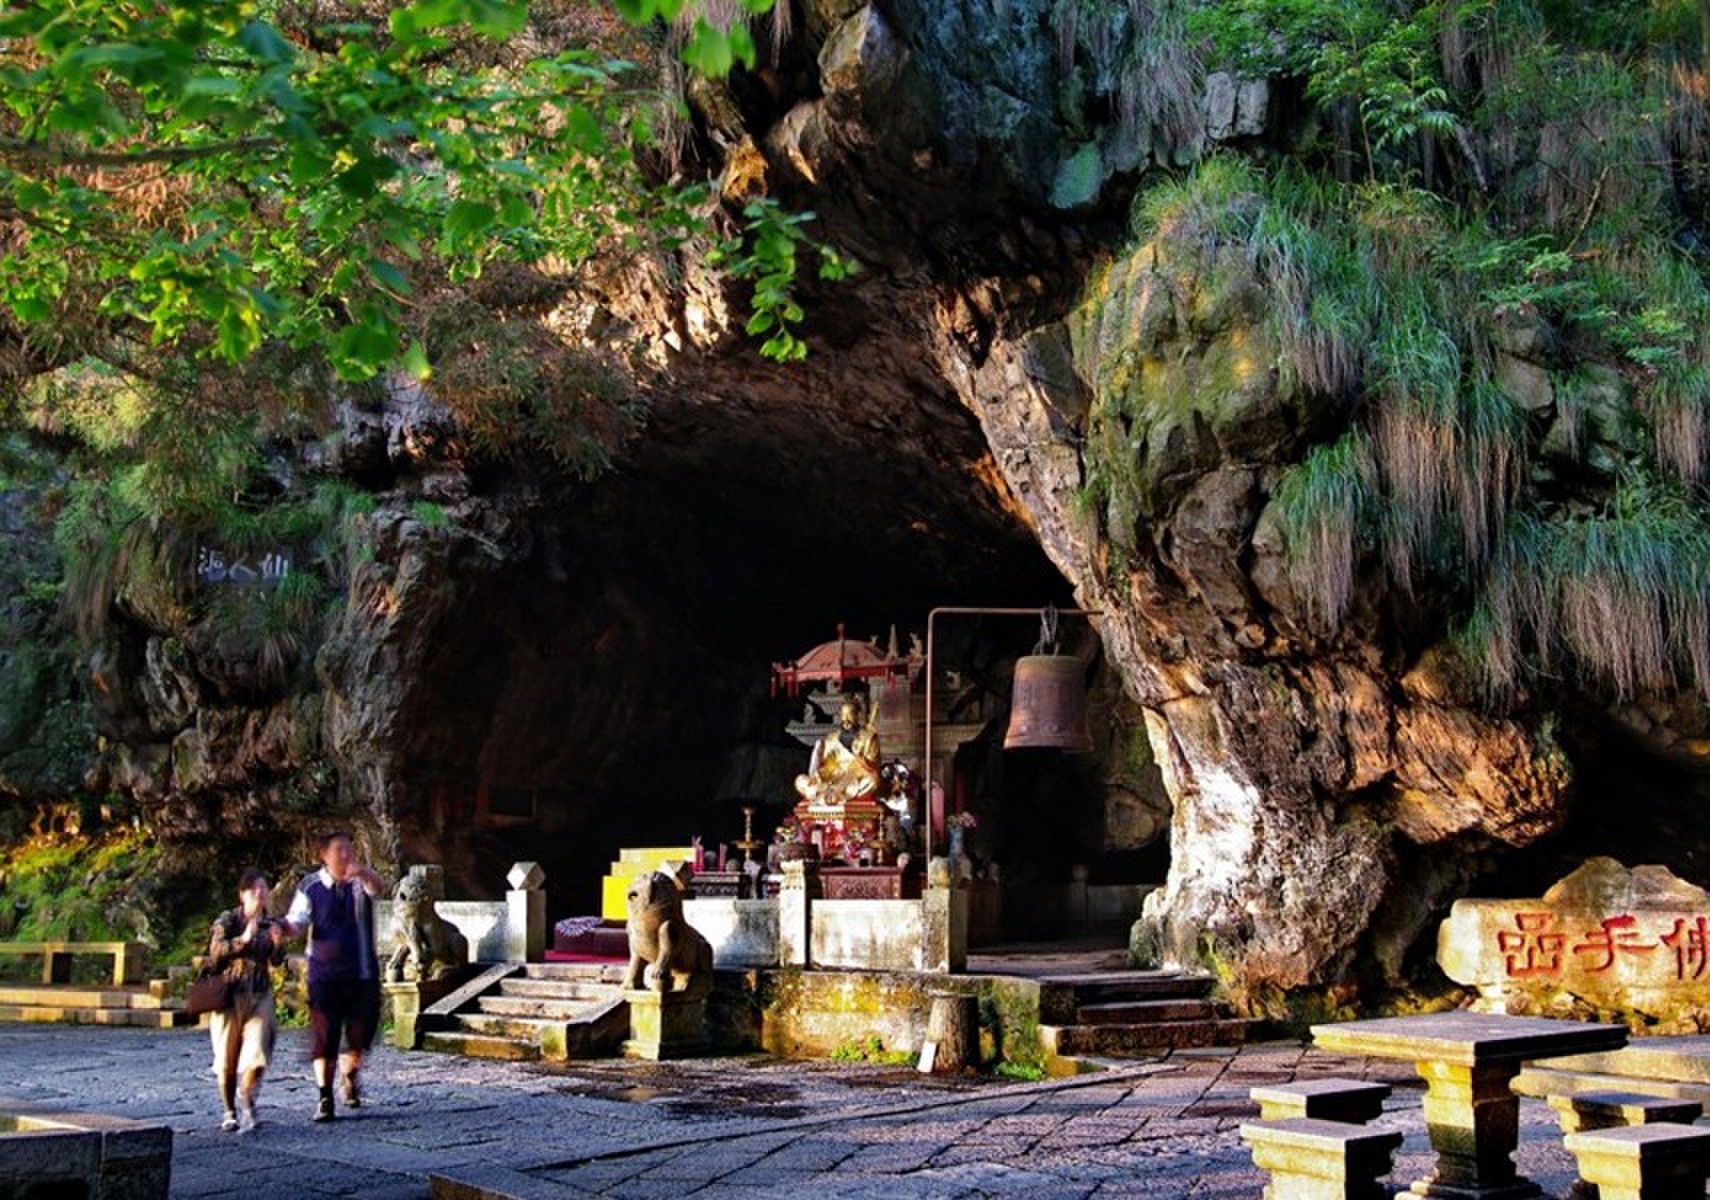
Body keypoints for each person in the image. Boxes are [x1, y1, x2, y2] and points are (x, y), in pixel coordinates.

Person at [281, 831, 385, 1123]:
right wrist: (282, 930)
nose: (345, 855)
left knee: (360, 1035)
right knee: (324, 1038)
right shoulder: (311, 886)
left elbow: (379, 887)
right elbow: (297, 920)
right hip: (324, 976)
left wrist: (362, 871)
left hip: (362, 973)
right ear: (323, 855)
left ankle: (349, 1076)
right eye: (339, 850)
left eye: (349, 850)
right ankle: (324, 1096)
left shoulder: (359, 884)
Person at [207, 869, 286, 1132]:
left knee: (259, 1050)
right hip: (229, 993)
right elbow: (216, 954)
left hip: (260, 991)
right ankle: (229, 1109)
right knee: (227, 1058)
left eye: (263, 888)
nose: (259, 893)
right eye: (253, 889)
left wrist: (277, 943)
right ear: (242, 895)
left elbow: (277, 960)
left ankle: (247, 1096)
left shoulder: (270, 922)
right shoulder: (229, 920)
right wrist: (243, 940)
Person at [794, 692, 882, 808]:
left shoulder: (869, 737)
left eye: (850, 715)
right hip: (832, 779)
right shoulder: (831, 739)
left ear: (858, 715)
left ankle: (833, 796)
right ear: (840, 715)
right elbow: (826, 766)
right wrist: (818, 773)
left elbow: (873, 765)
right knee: (800, 780)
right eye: (844, 715)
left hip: (856, 778)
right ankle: (832, 794)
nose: (846, 720)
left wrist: (860, 758)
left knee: (873, 780)